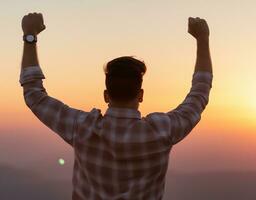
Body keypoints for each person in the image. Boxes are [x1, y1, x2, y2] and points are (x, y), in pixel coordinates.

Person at [20, 12, 213, 200]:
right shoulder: (162, 131)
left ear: (106, 95)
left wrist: (30, 36)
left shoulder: (82, 127)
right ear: (141, 95)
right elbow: (199, 94)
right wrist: (202, 38)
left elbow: (34, 95)